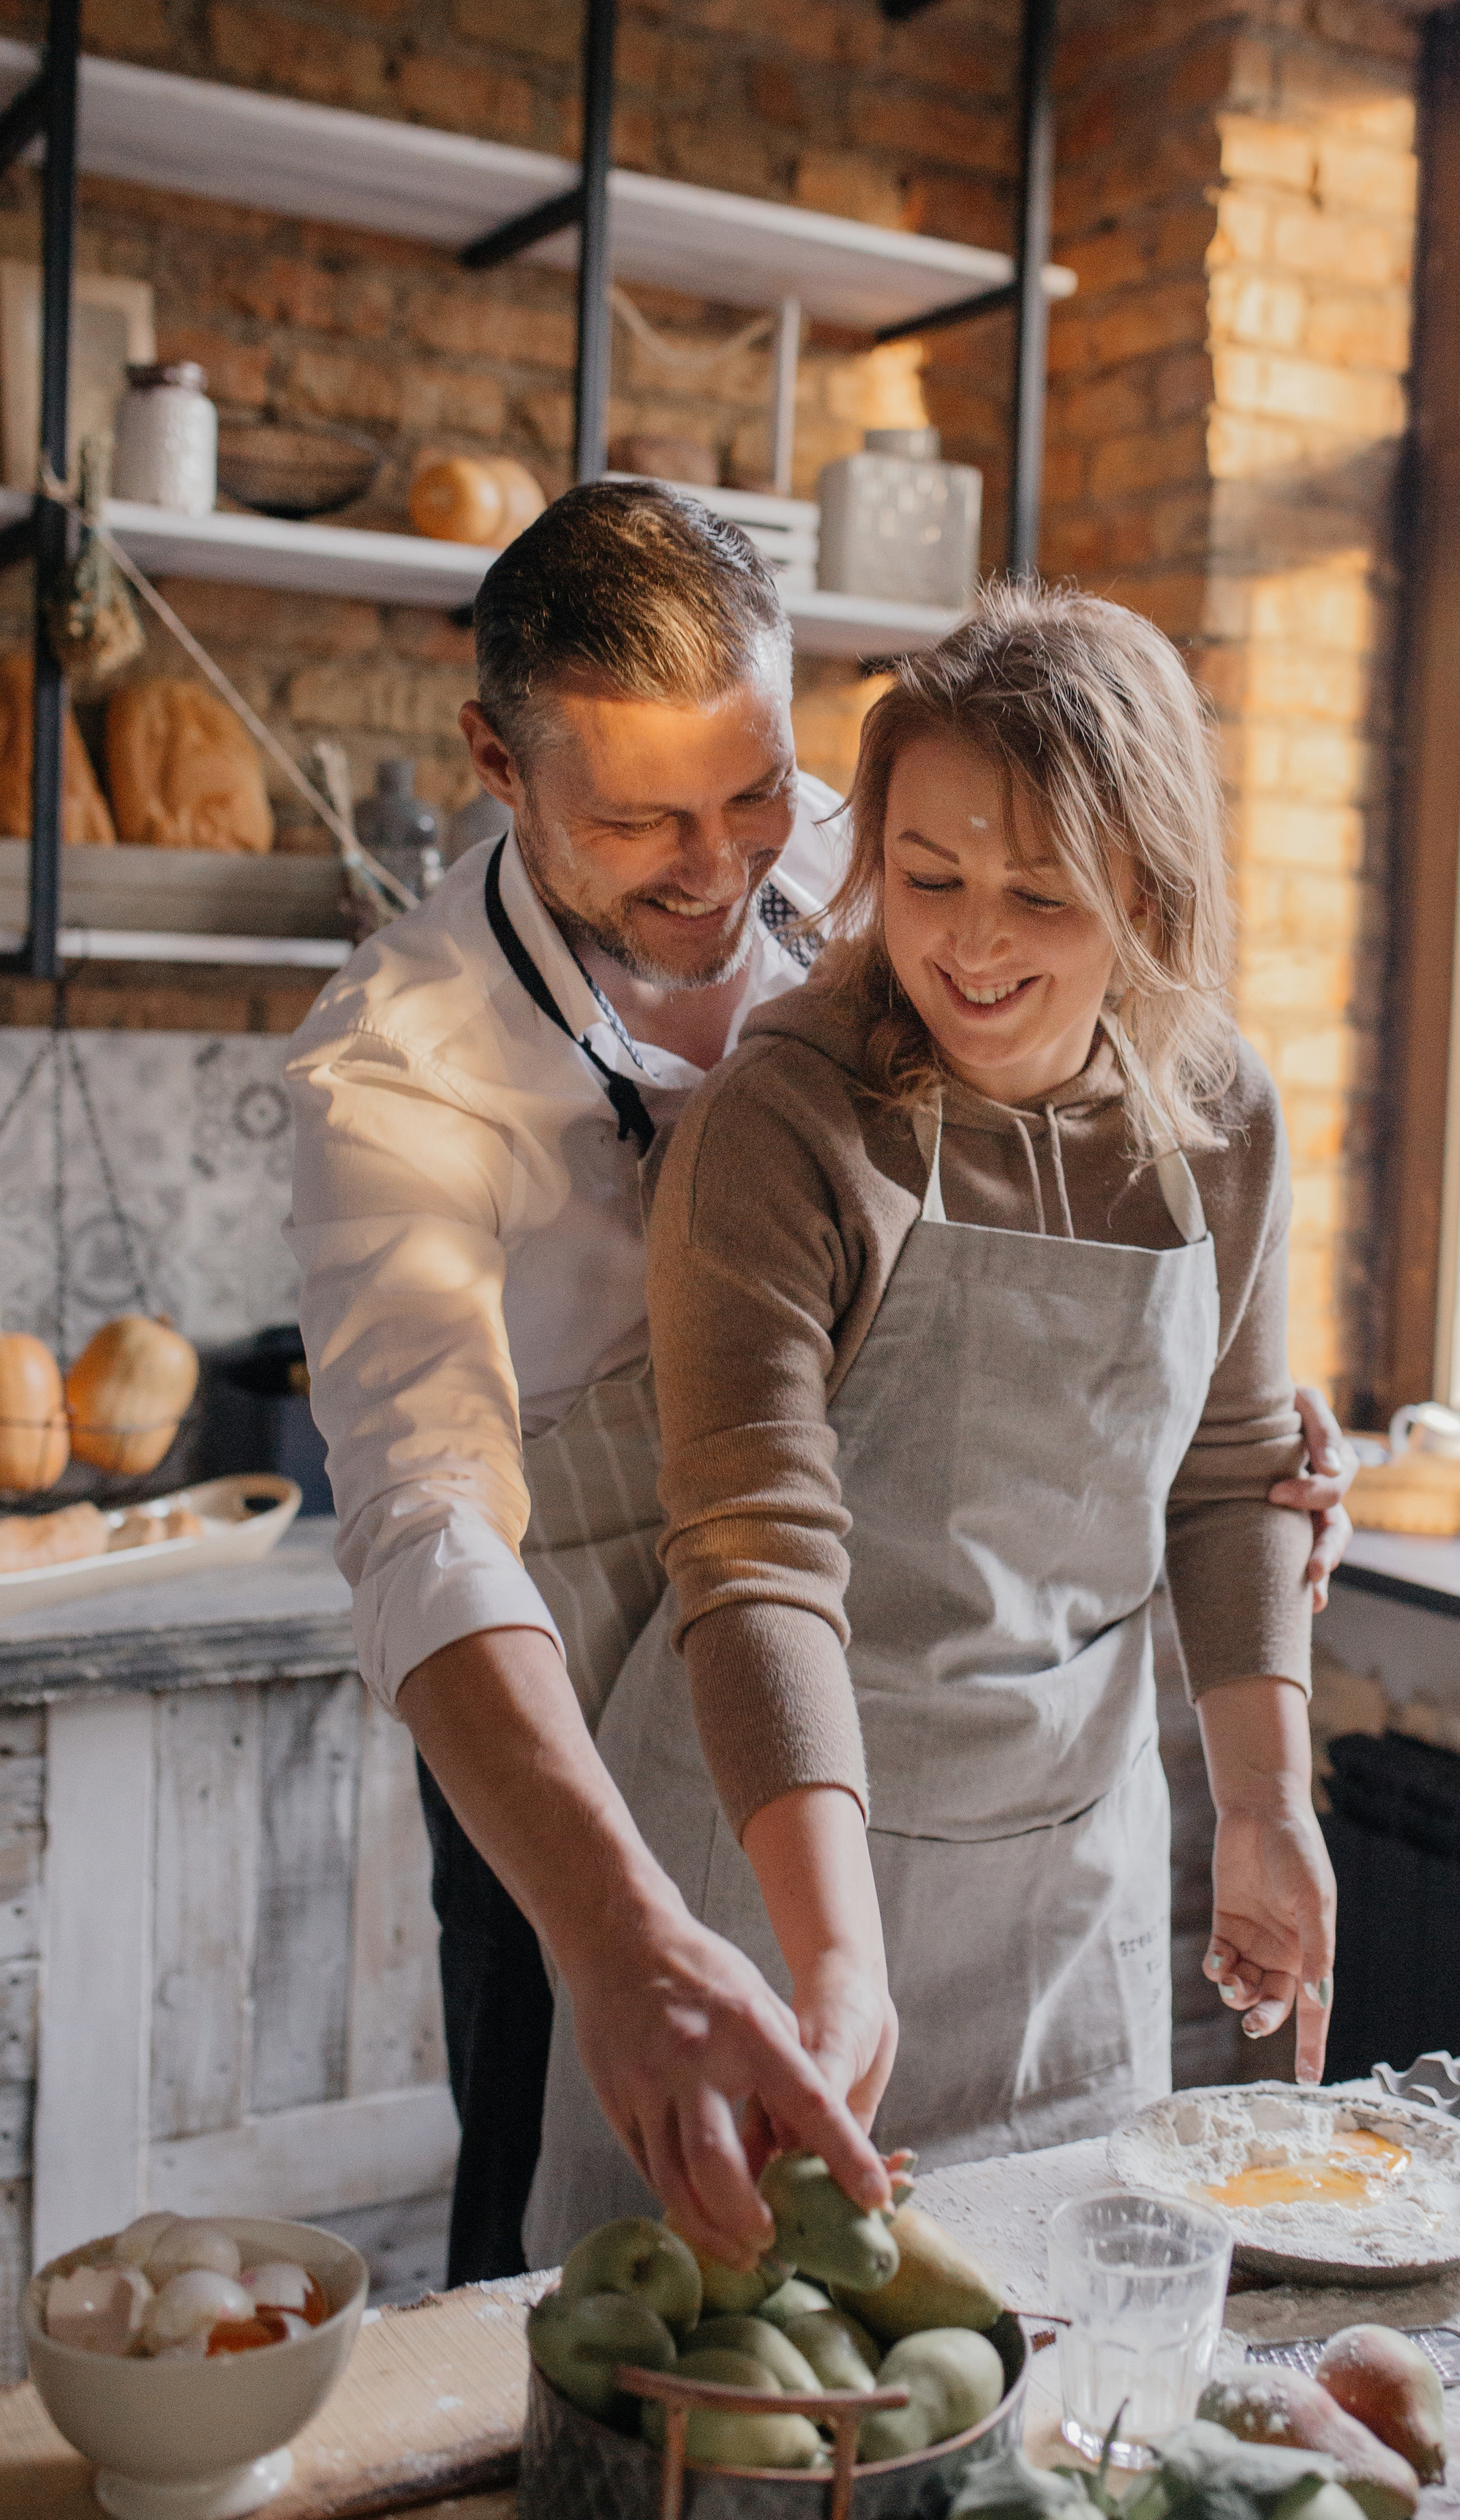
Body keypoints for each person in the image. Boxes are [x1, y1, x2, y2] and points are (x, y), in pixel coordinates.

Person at [526, 584, 1345, 2249]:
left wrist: (1264, 1808)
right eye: (927, 879)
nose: (970, 946)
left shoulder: (1216, 1113)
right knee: (706, 2395)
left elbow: (1236, 1470)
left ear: (1145, 888)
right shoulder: (789, 1114)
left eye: (1038, 894)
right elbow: (755, 1556)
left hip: (1064, 1893)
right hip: (769, 1873)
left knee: (1043, 2394)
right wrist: (829, 1963)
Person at [286, 482, 892, 2281]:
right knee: (560, 2197)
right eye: (635, 820)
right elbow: (425, 1522)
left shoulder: (864, 868)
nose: (718, 868)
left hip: (848, 1625)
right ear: (492, 756)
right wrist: (615, 1932)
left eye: (753, 792)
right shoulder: (396, 1066)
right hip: (566, 1705)